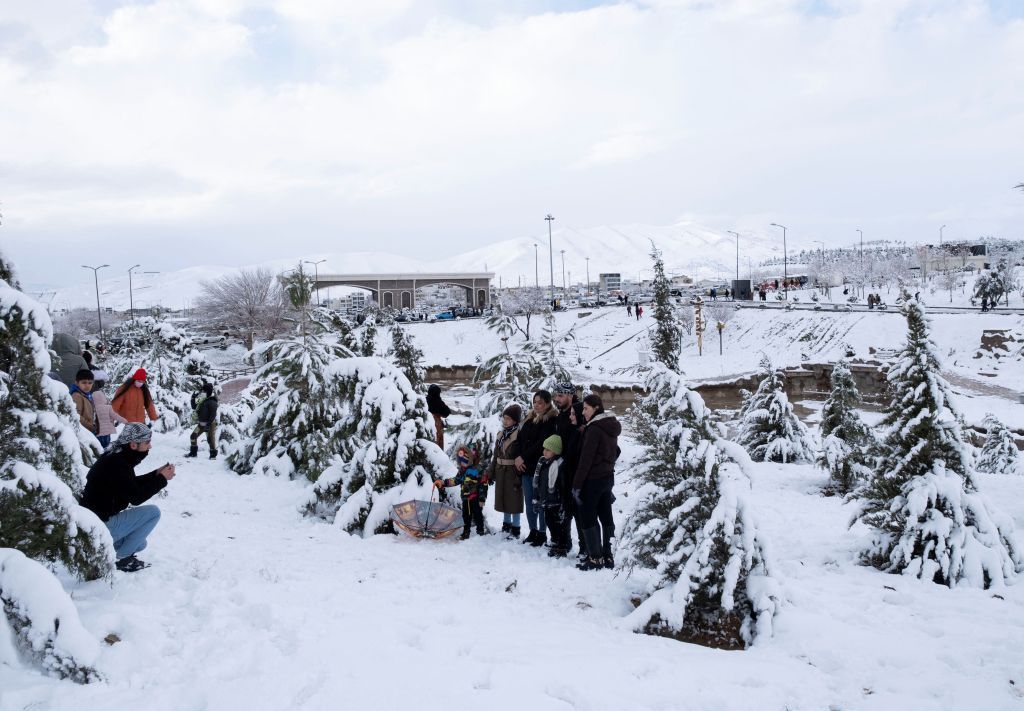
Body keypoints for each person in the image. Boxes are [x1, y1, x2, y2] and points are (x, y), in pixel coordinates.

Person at [79, 423, 175, 573]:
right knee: (153, 513)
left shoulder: (115, 457)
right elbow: (136, 497)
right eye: (147, 442)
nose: (150, 447)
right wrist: (162, 480)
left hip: (95, 522)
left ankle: (112, 550)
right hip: (100, 525)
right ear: (133, 445)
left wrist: (156, 474)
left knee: (140, 544)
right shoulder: (117, 463)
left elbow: (129, 485)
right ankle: (122, 558)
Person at [572, 394, 621, 571]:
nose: (583, 412)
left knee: (588, 516)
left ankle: (595, 558)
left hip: (592, 480)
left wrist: (577, 485)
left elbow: (586, 460)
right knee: (606, 514)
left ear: (596, 408)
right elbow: (617, 451)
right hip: (607, 478)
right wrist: (607, 464)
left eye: (586, 408)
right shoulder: (610, 426)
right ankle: (608, 555)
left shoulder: (594, 429)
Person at [515, 390, 558, 545]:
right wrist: (518, 458)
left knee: (540, 502)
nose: (537, 405)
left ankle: (542, 532)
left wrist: (523, 457)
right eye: (535, 402)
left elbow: (541, 443)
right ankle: (533, 531)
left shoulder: (550, 420)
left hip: (538, 467)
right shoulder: (529, 418)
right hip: (524, 466)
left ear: (547, 403)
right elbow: (519, 440)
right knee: (529, 502)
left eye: (540, 402)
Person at [552, 382, 585, 558]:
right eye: (556, 395)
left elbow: (576, 444)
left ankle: (584, 547)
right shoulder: (561, 415)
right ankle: (564, 542)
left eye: (561, 396)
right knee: (563, 507)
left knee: (578, 510)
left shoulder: (578, 414)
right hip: (562, 469)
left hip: (575, 470)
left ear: (571, 396)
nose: (557, 399)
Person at [434, 445, 488, 540]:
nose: (462, 464)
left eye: (464, 462)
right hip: (465, 498)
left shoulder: (478, 470)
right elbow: (456, 480)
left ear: (469, 459)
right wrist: (443, 483)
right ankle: (465, 533)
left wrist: (482, 498)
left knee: (478, 515)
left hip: (476, 497)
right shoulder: (462, 471)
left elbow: (483, 484)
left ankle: (480, 532)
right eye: (461, 462)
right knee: (466, 516)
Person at [487, 404, 523, 538]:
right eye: (504, 418)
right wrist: (491, 474)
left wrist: (519, 475)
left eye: (508, 418)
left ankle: (516, 528)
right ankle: (506, 525)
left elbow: (520, 455)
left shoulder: (519, 435)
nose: (504, 421)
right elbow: (496, 456)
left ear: (515, 420)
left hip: (513, 471)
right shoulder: (501, 435)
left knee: (514, 499)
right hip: (501, 471)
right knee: (504, 499)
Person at [533, 435, 566, 553]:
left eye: (548, 450)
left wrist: (560, 498)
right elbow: (540, 481)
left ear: (555, 451)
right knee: (549, 521)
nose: (544, 452)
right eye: (544, 449)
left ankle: (560, 545)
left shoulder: (558, 464)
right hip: (546, 499)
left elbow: (561, 484)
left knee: (557, 523)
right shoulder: (543, 463)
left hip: (555, 500)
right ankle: (554, 540)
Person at [91, 370, 125, 450]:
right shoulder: (98, 393)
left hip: (99, 426)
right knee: (102, 448)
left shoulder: (91, 393)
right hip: (102, 426)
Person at [186, 381, 219, 459]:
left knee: (210, 440)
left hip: (210, 425)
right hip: (201, 424)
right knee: (193, 436)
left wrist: (208, 424)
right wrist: (193, 398)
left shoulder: (212, 401)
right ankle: (193, 453)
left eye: (204, 391)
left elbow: (213, 414)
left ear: (207, 391)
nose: (202, 392)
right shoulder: (201, 400)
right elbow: (194, 406)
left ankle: (213, 456)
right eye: (202, 391)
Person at [70, 368, 99, 436]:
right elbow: (76, 415)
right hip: (82, 433)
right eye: (84, 382)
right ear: (77, 383)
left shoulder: (87, 395)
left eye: (90, 383)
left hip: (87, 430)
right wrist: (91, 427)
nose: (87, 385)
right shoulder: (77, 396)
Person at [426, 384, 452, 449]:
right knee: (437, 445)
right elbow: (447, 412)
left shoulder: (424, 400)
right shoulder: (438, 402)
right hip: (437, 425)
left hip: (426, 425)